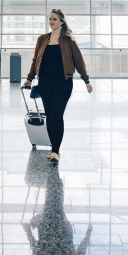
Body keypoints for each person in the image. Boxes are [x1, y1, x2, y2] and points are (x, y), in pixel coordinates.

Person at [23, 9, 93, 163]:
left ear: (61, 21)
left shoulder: (69, 41)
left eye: (54, 19)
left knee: (56, 114)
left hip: (63, 82)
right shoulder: (42, 39)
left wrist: (86, 80)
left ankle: (55, 151)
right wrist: (29, 78)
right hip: (45, 83)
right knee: (49, 115)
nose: (51, 22)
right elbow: (36, 60)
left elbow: (78, 61)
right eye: (50, 19)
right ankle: (52, 148)